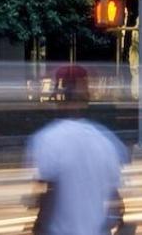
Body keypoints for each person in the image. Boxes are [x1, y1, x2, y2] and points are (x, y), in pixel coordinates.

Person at [25, 68, 129, 235]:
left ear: (58, 97)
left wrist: (38, 228)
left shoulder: (47, 139)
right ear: (86, 99)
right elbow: (116, 202)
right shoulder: (106, 141)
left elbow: (48, 194)